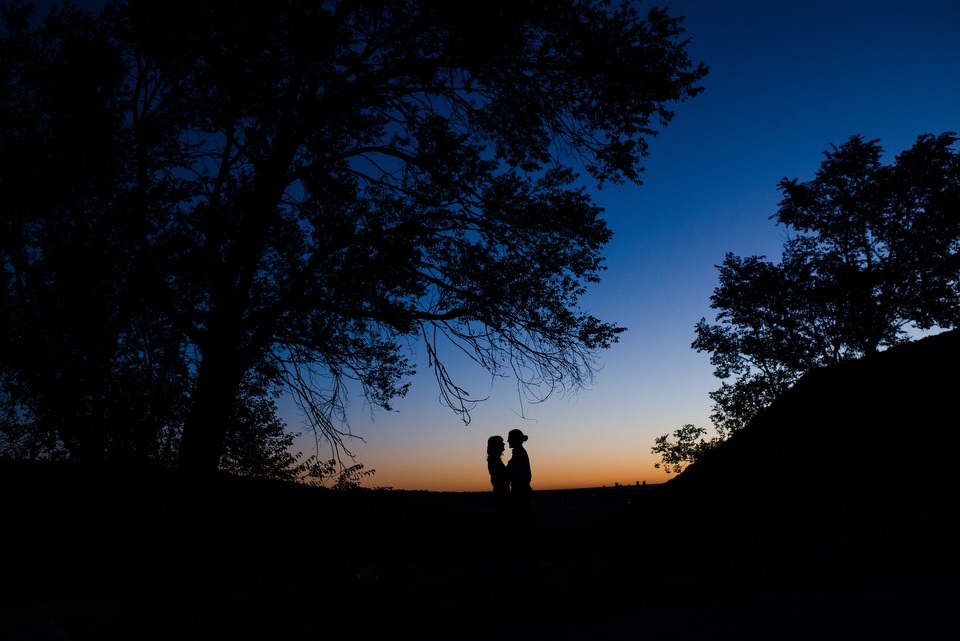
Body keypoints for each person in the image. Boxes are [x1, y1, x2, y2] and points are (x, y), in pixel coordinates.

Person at [506, 428, 532, 523]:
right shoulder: (519, 452)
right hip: (522, 490)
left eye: (509, 438)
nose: (508, 440)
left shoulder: (518, 453)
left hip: (521, 491)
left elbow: (511, 470)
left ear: (515, 439)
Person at [486, 435, 510, 516]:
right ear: (496, 446)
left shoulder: (494, 459)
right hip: (501, 491)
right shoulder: (494, 460)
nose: (504, 444)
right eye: (501, 443)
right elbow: (501, 475)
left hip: (501, 490)